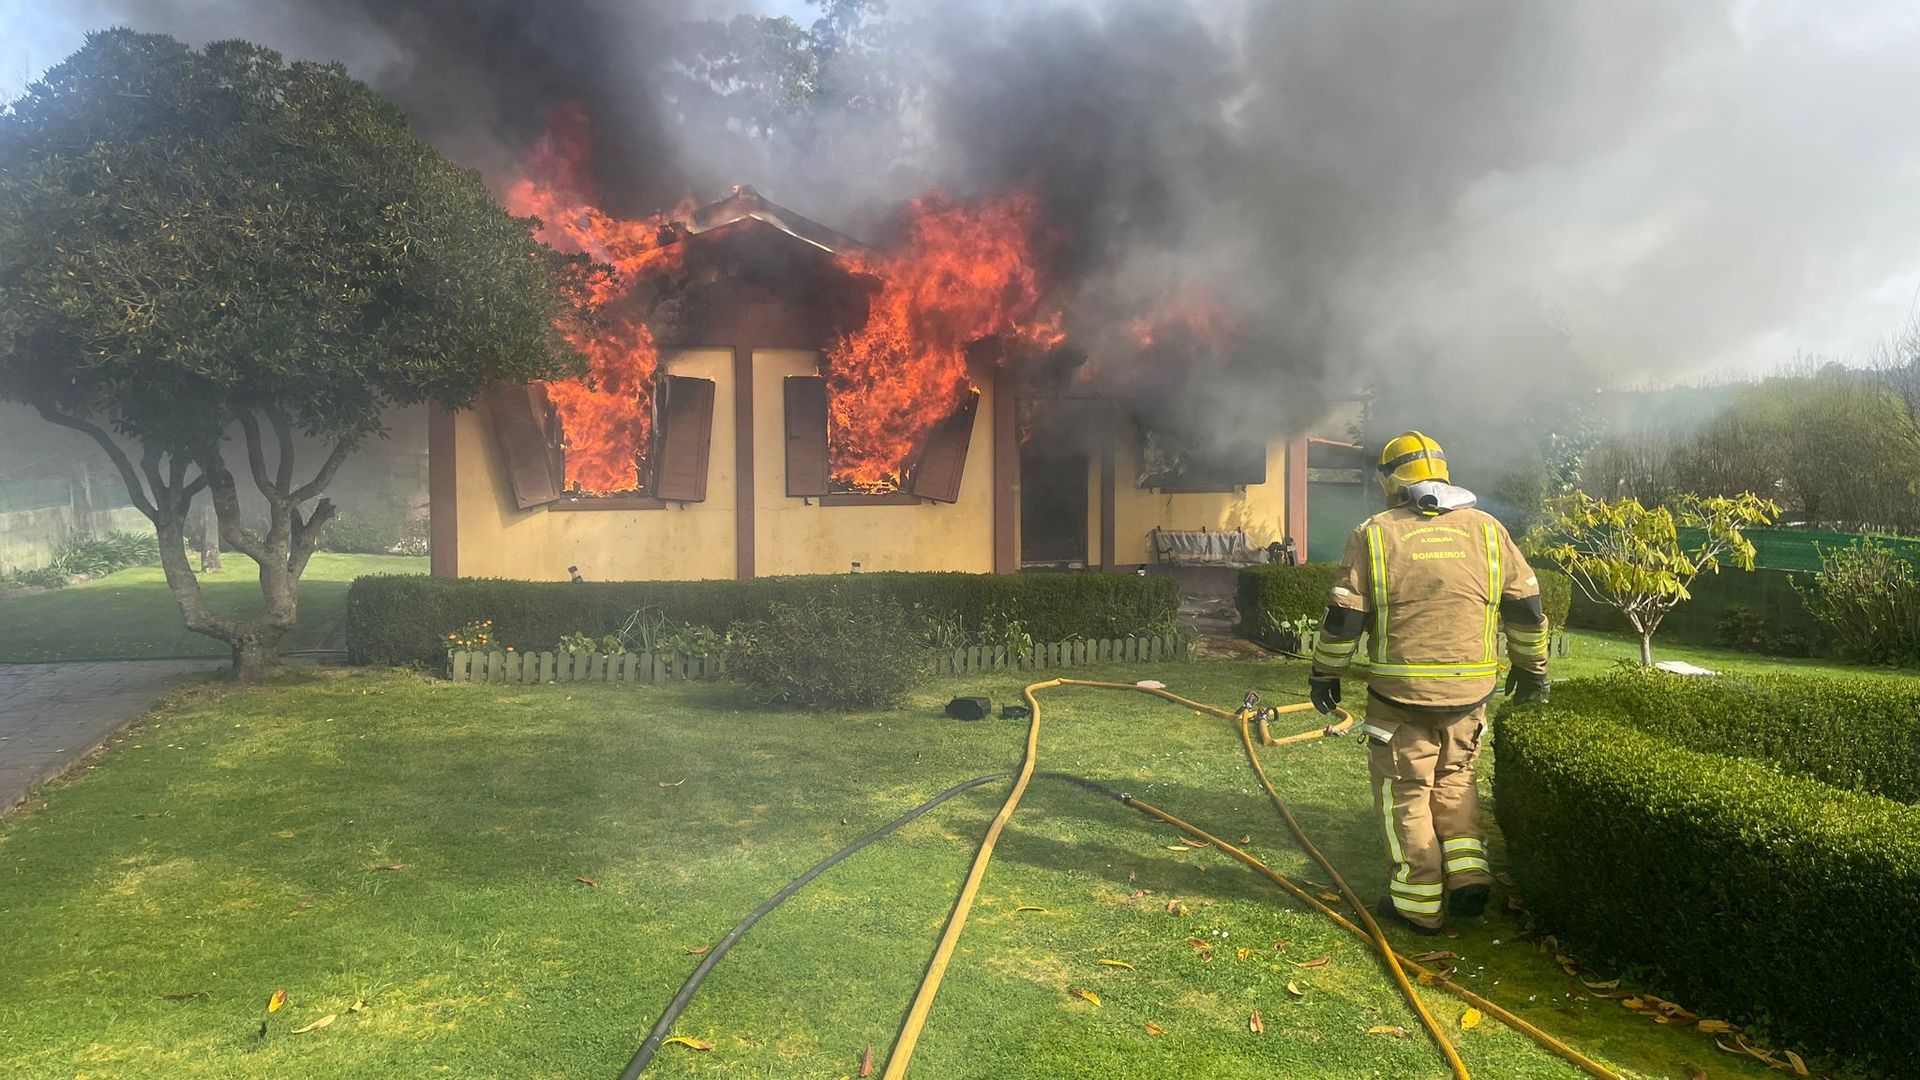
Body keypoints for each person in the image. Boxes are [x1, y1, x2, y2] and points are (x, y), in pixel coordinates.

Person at [1307, 431, 1549, 935]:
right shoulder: (1487, 530)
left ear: (1389, 479)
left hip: (1401, 699)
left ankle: (1417, 901)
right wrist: (1532, 671)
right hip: (1470, 694)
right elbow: (1527, 608)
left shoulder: (1375, 533)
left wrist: (1325, 674)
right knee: (1456, 776)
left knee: (1406, 791)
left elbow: (1343, 620)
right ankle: (1466, 874)